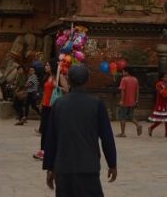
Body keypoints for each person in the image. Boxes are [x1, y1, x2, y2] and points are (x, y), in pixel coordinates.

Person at [43, 64, 118, 196]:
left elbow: (51, 138)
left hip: (64, 167)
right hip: (88, 167)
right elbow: (107, 137)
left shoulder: (59, 104)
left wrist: (49, 167)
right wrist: (112, 163)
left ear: (69, 80)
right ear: (88, 80)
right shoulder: (96, 104)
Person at [116, 66, 142, 137]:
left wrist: (121, 100)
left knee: (122, 117)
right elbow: (137, 91)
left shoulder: (124, 79)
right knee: (130, 116)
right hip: (133, 101)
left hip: (125, 101)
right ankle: (138, 124)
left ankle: (123, 133)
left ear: (127, 72)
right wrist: (136, 100)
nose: (122, 73)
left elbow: (123, 90)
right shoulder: (135, 79)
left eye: (123, 71)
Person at [147, 73, 167, 138]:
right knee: (160, 119)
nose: (166, 78)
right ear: (161, 78)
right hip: (161, 103)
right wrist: (166, 88)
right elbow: (162, 93)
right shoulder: (158, 84)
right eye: (164, 77)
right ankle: (151, 127)